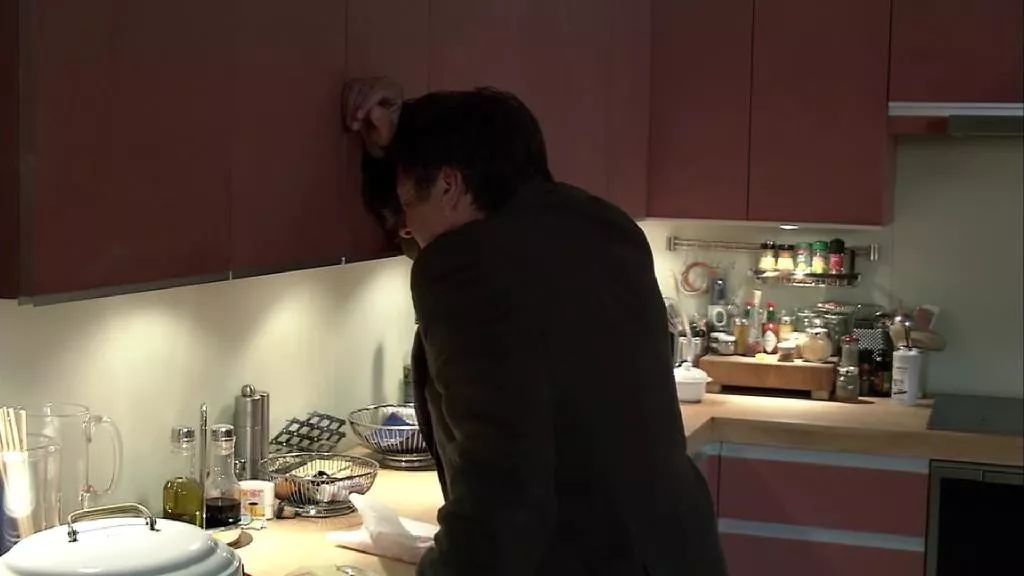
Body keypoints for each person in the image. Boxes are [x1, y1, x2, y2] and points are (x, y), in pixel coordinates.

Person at [342, 77, 727, 576]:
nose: (407, 230)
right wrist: (390, 155)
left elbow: (502, 487)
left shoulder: (466, 270)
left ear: (449, 185)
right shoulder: (608, 230)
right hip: (676, 550)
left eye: (410, 204)